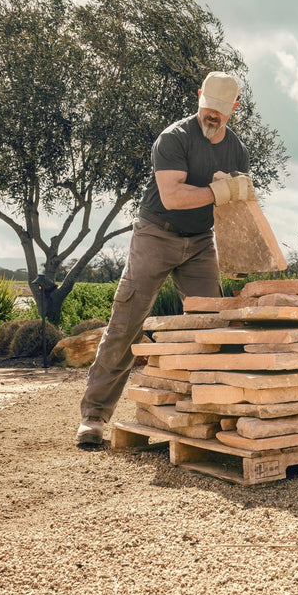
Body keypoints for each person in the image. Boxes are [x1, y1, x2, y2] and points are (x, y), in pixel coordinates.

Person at [75, 71, 255, 446]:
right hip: (156, 234)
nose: (212, 117)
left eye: (220, 113)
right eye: (208, 108)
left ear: (234, 110)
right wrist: (221, 190)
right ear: (199, 97)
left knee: (215, 324)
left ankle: (218, 415)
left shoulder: (237, 150)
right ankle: (93, 418)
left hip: (201, 242)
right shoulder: (173, 139)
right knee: (126, 322)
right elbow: (173, 196)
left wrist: (242, 246)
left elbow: (235, 208)